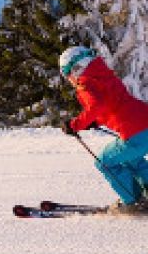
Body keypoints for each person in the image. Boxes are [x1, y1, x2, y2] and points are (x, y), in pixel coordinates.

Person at [60, 46, 148, 212]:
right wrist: (95, 122)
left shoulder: (86, 82)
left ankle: (133, 202)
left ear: (77, 68)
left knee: (104, 162)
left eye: (67, 73)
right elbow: (113, 103)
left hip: (134, 133)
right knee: (132, 159)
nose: (69, 79)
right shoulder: (104, 75)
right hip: (144, 124)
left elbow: (97, 106)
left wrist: (75, 125)